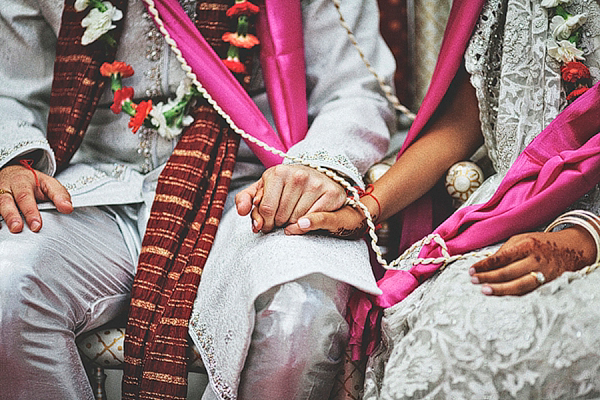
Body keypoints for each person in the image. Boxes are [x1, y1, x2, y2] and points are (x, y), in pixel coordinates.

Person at [0, 0, 396, 398]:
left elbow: (354, 92)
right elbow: (10, 88)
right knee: (8, 287)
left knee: (300, 312)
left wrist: (315, 167)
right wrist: (13, 158)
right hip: (93, 189)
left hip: (253, 191)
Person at [286, 0, 600, 397]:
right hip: (505, 213)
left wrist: (585, 239)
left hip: (590, 238)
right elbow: (459, 123)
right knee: (445, 330)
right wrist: (365, 207)